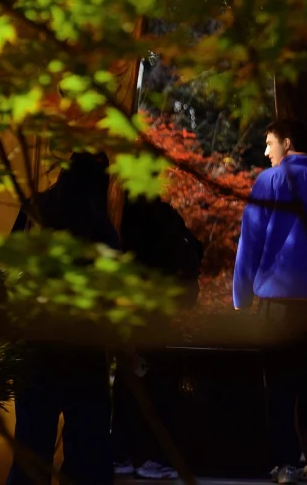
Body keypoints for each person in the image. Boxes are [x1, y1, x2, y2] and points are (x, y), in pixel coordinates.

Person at [233, 118, 307, 485]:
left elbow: (249, 243)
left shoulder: (269, 182)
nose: (267, 152)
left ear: (287, 142)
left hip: (277, 304)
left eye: (270, 143)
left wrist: (241, 296)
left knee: (279, 386)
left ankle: (286, 463)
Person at [6, 151, 119, 485]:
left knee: (30, 450)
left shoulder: (35, 208)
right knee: (88, 452)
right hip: (83, 347)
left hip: (34, 344)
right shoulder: (98, 222)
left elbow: (9, 266)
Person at [112, 194, 204, 480]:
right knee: (156, 381)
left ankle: (127, 452)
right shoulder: (166, 214)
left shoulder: (128, 216)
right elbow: (194, 249)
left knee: (131, 381)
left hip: (136, 308)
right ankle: (157, 455)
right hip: (162, 310)